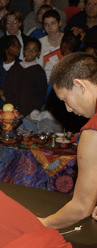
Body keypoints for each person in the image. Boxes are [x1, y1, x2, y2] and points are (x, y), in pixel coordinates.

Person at [41, 52, 97, 228]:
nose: (69, 109)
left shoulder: (93, 131)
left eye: (65, 99)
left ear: (80, 86)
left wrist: (43, 223)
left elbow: (81, 207)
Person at [3, 38, 47, 119]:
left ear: (38, 53)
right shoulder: (15, 68)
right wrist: (11, 108)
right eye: (27, 49)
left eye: (34, 50)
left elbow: (40, 95)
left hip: (29, 115)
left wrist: (25, 111)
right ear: (23, 51)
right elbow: (8, 89)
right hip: (12, 112)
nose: (30, 52)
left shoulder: (39, 72)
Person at [0, 35, 21, 110]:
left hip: (15, 109)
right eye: (14, 45)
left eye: (18, 45)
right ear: (6, 49)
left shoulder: (22, 66)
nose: (18, 47)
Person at [38, 9, 64, 80]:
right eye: (46, 24)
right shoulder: (40, 43)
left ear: (59, 23)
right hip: (46, 81)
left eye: (53, 23)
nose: (50, 28)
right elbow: (40, 69)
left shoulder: (67, 41)